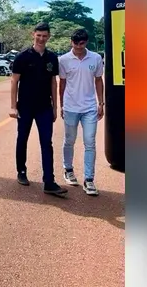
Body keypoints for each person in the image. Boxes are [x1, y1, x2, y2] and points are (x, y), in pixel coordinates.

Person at [9, 23, 67, 196]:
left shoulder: (52, 57)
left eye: (45, 36)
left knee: (46, 143)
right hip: (25, 106)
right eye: (38, 35)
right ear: (33, 34)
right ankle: (21, 171)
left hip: (44, 107)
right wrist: (13, 106)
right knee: (23, 139)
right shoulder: (22, 57)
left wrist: (55, 107)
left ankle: (49, 181)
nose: (41, 39)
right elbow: (14, 82)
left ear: (49, 36)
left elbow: (53, 82)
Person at [59, 29, 104, 196]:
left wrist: (101, 103)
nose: (79, 47)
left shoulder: (96, 58)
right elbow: (62, 84)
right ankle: (68, 169)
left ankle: (89, 179)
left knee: (90, 142)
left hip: (90, 108)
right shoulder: (63, 60)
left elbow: (98, 80)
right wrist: (62, 105)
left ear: (86, 42)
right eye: (76, 44)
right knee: (69, 140)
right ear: (71, 42)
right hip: (71, 107)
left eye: (82, 44)